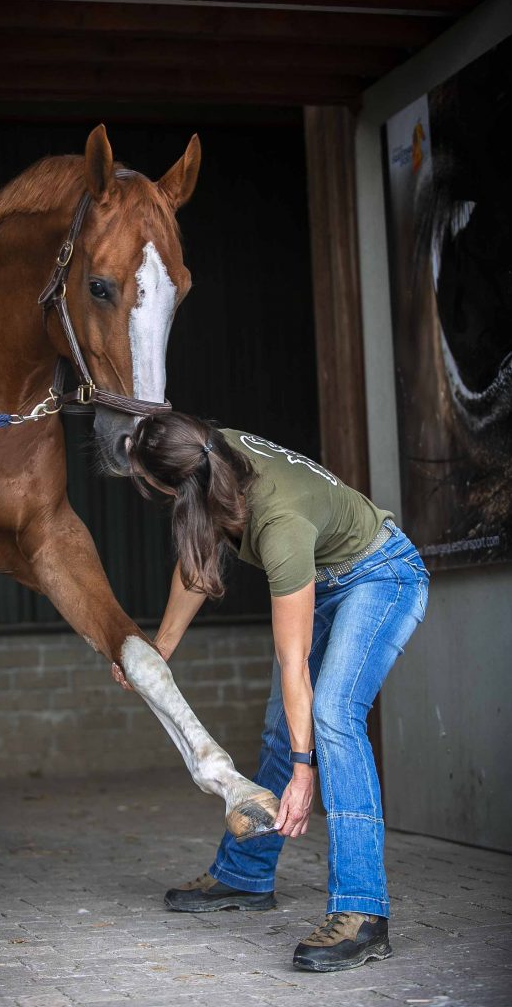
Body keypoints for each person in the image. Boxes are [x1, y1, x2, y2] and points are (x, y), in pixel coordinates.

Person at [113, 412, 429, 973]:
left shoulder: (277, 522)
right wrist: (158, 650)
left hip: (382, 575)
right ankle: (245, 875)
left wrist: (304, 772)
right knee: (280, 729)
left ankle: (363, 915)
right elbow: (196, 562)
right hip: (327, 574)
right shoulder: (215, 454)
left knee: (331, 715)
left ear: (173, 486)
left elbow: (293, 665)